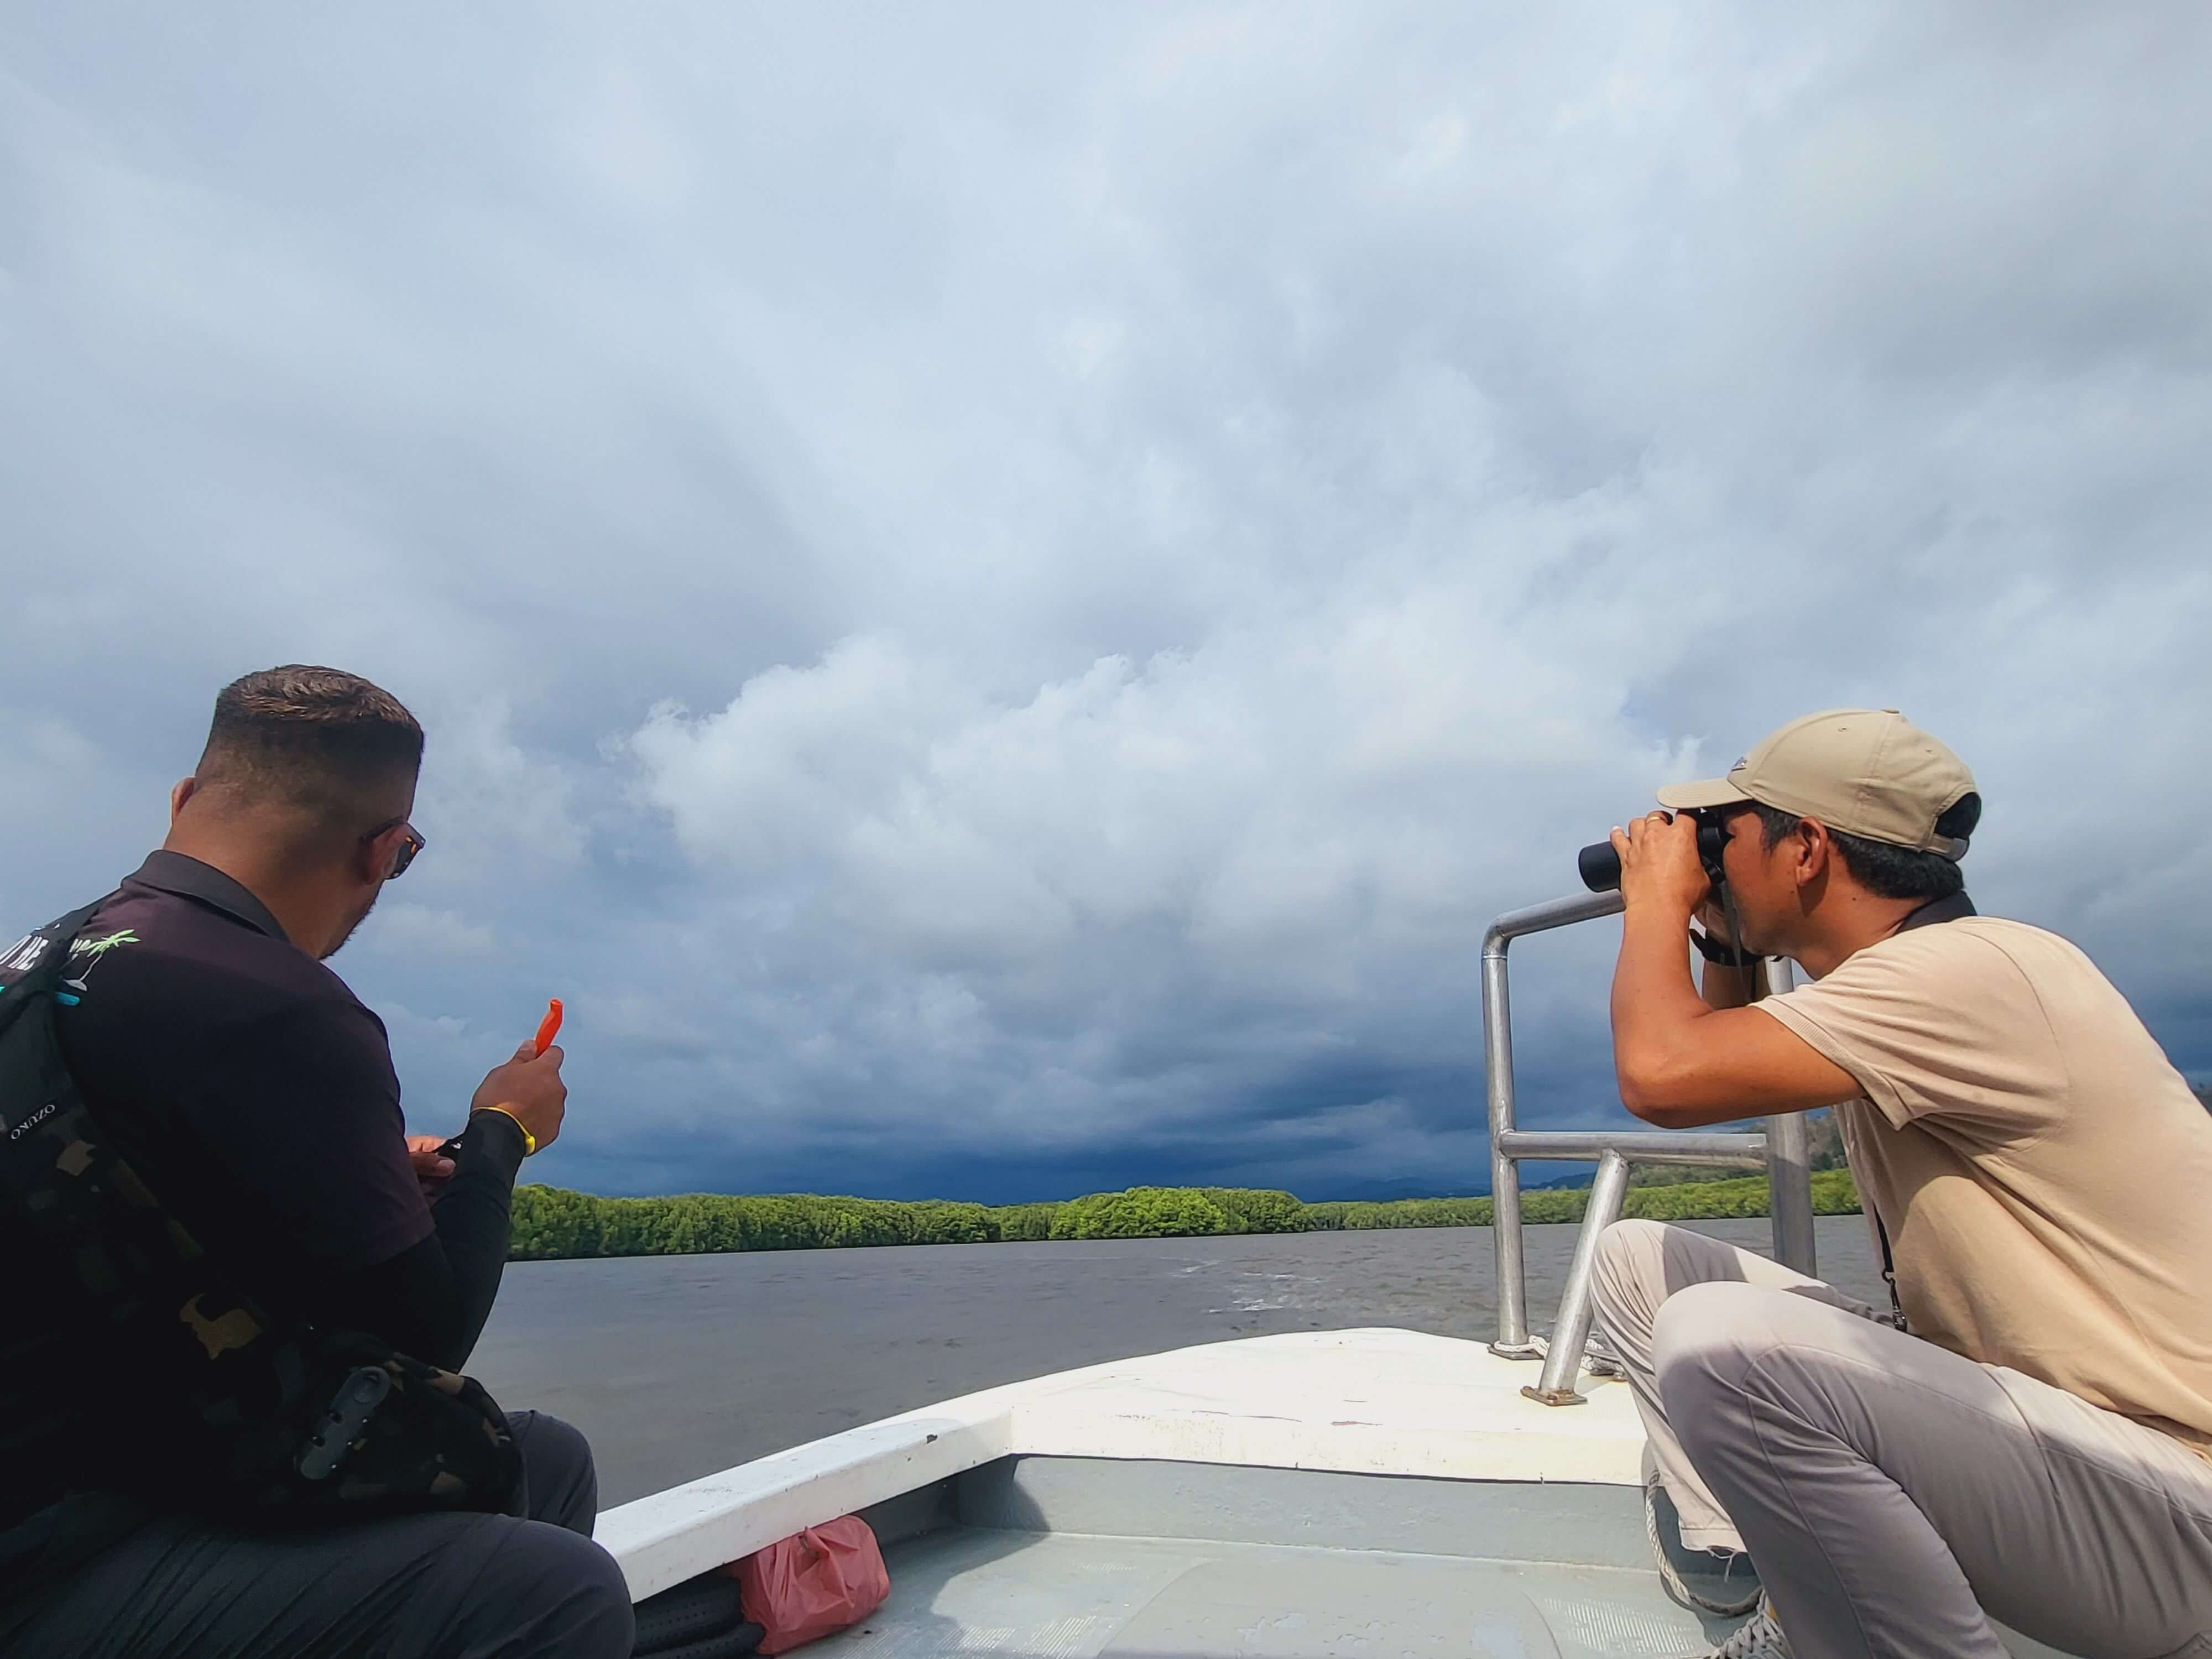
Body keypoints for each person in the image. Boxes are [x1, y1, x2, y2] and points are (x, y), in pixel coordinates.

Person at [0, 666, 634, 1658]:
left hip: (110, 1468)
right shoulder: (281, 1007)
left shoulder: (45, 967)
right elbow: (427, 1341)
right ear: (383, 851)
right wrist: (502, 1135)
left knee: (540, 1462)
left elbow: (143, 1212)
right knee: (557, 1593)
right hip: (57, 1556)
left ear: (180, 801)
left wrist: (379, 1171)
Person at [1589, 708, 2212, 1659]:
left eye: (1726, 834)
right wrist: (1721, 931)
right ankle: (1782, 1597)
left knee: (1724, 1350)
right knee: (1638, 1264)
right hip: (2065, 1434)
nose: (1705, 855)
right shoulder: (1908, 975)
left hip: (2177, 1503)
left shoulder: (1964, 975)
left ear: (1806, 850)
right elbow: (1721, 1052)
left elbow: (1666, 1075)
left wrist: (1655, 902)